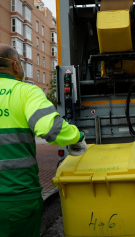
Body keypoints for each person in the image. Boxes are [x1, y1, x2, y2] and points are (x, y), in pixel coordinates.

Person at [0, 44, 87, 237]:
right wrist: (77, 137)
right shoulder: (25, 92)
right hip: (17, 199)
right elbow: (49, 127)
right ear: (16, 66)